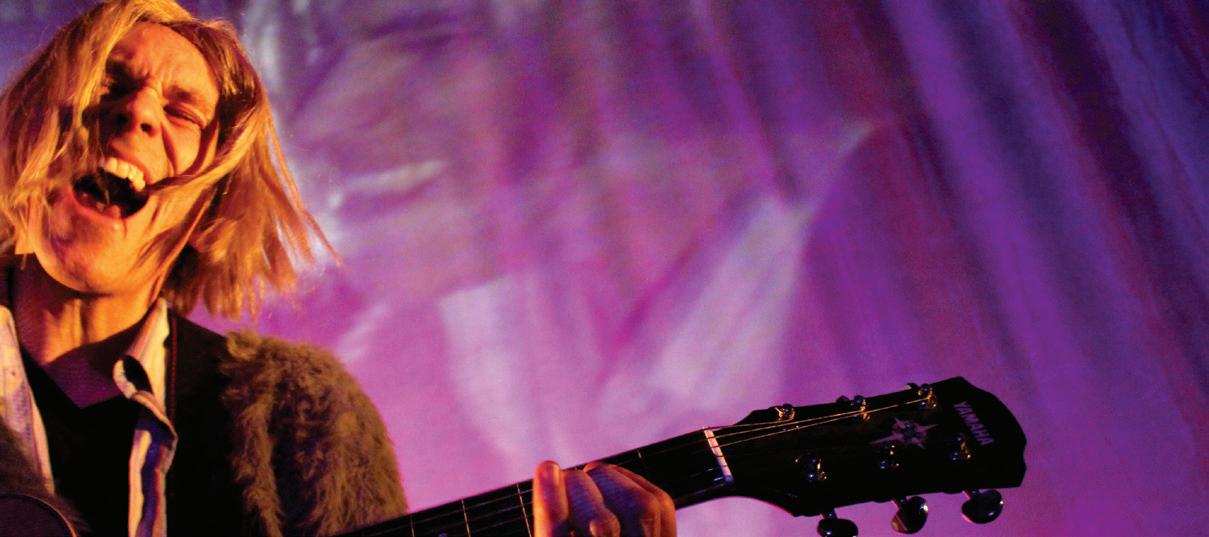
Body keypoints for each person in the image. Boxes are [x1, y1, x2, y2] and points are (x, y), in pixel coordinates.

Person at [0, 1, 676, 536]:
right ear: (30, 132)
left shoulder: (301, 420)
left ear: (208, 216)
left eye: (181, 112)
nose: (137, 112)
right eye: (110, 83)